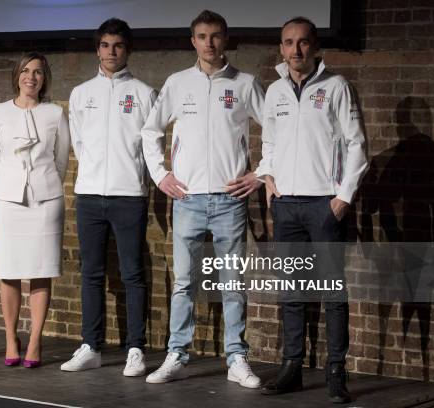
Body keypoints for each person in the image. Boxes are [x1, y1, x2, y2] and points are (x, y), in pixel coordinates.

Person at [141, 10, 265, 386]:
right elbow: (150, 131)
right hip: (188, 199)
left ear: (225, 39)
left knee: (232, 283)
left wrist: (259, 175)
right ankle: (177, 354)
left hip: (230, 201)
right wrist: (161, 175)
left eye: (215, 36)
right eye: (201, 36)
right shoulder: (178, 83)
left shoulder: (245, 84)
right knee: (184, 283)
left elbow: (276, 131)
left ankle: (236, 358)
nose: (208, 43)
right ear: (192, 40)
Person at [256, 17, 368, 404]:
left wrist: (343, 199)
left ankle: (337, 371)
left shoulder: (336, 87)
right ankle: (292, 367)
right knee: (291, 293)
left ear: (315, 46)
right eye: (288, 43)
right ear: (281, 48)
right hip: (286, 205)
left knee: (332, 291)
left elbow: (356, 145)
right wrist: (268, 179)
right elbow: (269, 142)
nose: (296, 50)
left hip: (324, 205)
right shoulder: (273, 92)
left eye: (303, 42)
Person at [60, 18, 157, 377]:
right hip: (88, 196)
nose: (111, 51)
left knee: (133, 275)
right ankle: (91, 346)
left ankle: (135, 349)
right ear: (97, 49)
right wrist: (94, 177)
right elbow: (80, 144)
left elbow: (151, 148)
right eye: (104, 45)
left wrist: (136, 181)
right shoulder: (81, 94)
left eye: (117, 45)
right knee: (91, 274)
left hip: (129, 195)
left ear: (127, 49)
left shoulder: (145, 94)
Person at [0, 52, 70, 368]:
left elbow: (61, 161)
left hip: (46, 202)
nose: (30, 77)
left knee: (41, 271)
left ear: (44, 78)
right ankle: (10, 337)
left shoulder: (55, 114)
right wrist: (10, 188)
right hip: (7, 202)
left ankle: (35, 340)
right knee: (8, 272)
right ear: (16, 75)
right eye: (25, 71)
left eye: (37, 72)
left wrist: (43, 187)